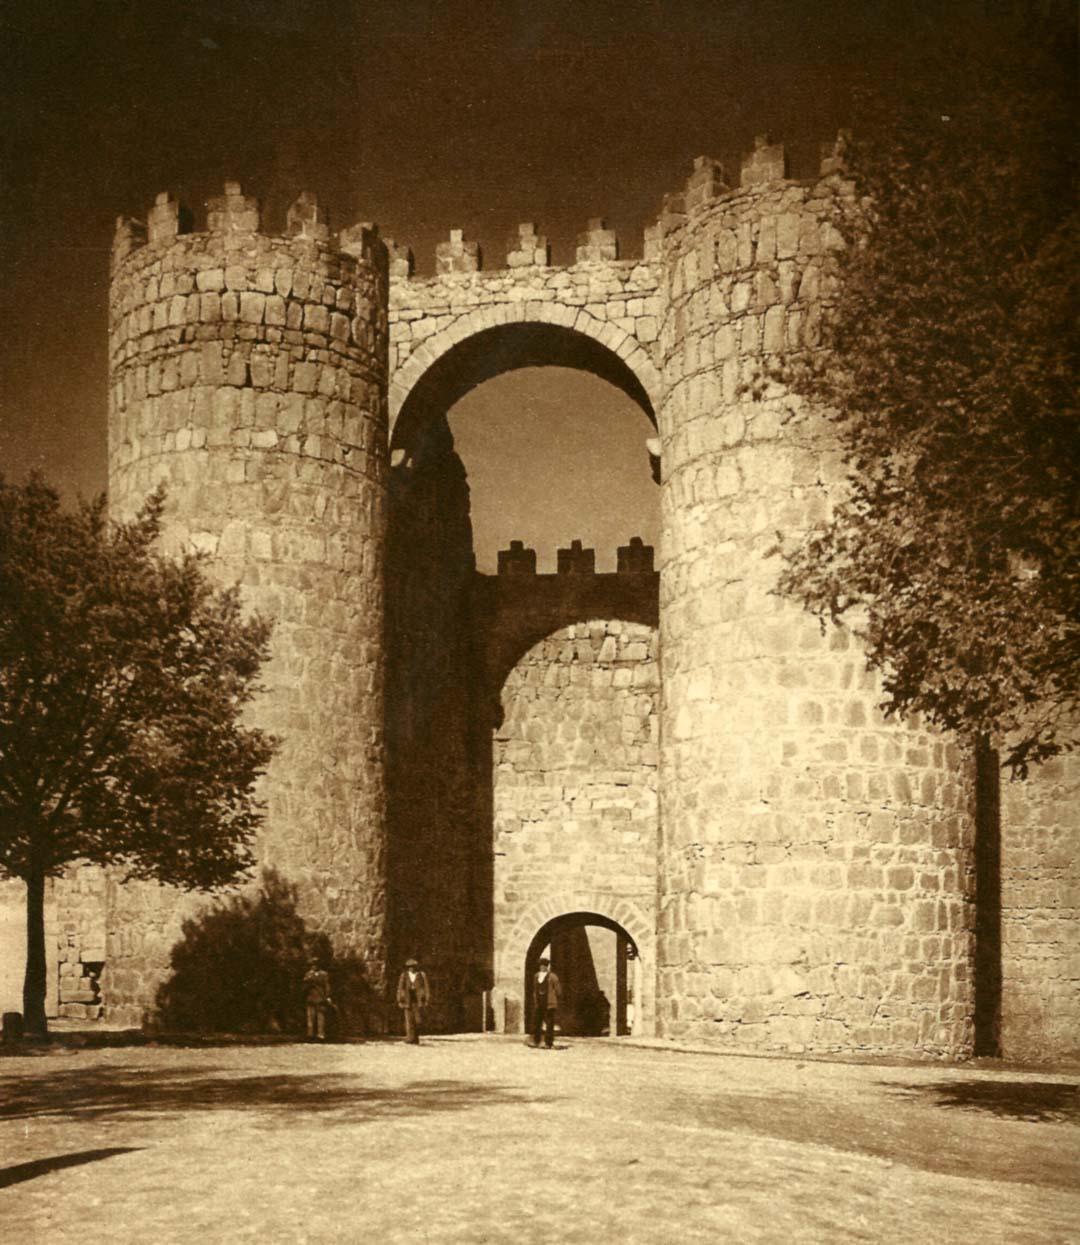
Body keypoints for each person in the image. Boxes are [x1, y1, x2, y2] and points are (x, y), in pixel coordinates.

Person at [529, 955, 561, 1049]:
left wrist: (554, 998)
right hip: (539, 1002)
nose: (542, 967)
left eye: (544, 965)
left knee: (549, 1023)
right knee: (537, 1022)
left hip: (549, 1003)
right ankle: (536, 1041)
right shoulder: (536, 976)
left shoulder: (552, 977)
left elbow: (558, 990)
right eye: (541, 965)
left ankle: (548, 1043)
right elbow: (535, 989)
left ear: (547, 966)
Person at [396, 957, 430, 1044]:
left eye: (413, 966)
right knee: (409, 1020)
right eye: (410, 966)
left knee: (418, 1020)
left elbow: (426, 988)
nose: (411, 968)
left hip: (418, 1000)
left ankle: (415, 1037)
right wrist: (399, 1000)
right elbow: (400, 988)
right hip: (407, 1000)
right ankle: (410, 1038)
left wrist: (426, 999)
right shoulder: (404, 975)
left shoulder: (421, 975)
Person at [302, 957, 332, 1042]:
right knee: (310, 1017)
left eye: (315, 965)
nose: (314, 966)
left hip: (320, 997)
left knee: (320, 1017)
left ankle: (320, 1035)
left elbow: (327, 986)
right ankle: (310, 1035)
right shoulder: (308, 974)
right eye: (312, 965)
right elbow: (304, 986)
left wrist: (328, 996)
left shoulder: (324, 974)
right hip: (310, 997)